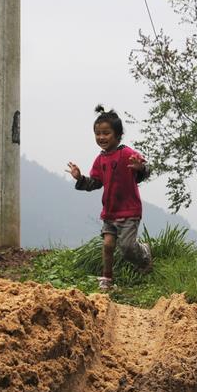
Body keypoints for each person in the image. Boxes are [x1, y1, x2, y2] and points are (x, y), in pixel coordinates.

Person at [67, 105, 152, 291]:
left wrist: (140, 168)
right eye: (97, 134)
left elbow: (143, 171)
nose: (101, 137)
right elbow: (96, 183)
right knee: (107, 245)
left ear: (118, 134)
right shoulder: (100, 160)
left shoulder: (127, 153)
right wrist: (80, 178)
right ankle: (107, 279)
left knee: (127, 247)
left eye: (106, 133)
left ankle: (144, 253)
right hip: (110, 211)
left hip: (129, 211)